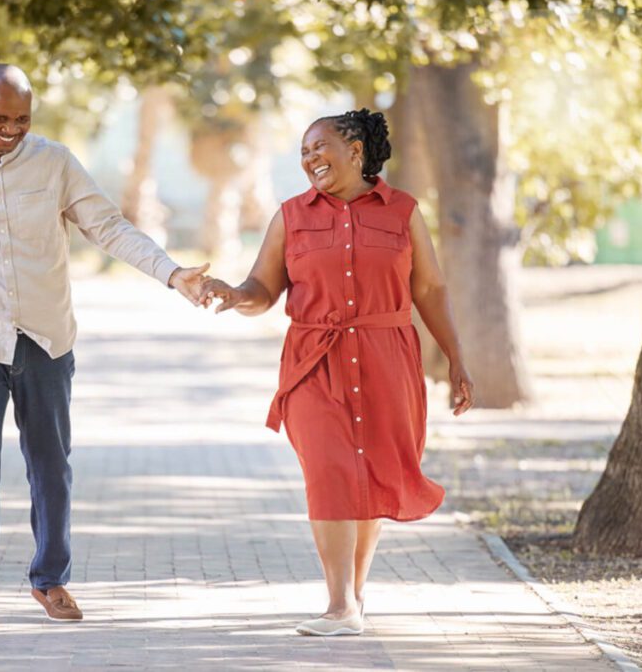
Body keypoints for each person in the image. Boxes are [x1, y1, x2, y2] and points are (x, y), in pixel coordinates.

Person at [0, 64, 208, 628]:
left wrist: (172, 273)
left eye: (22, 119)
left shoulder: (54, 162)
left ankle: (51, 581)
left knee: (51, 467)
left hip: (46, 340)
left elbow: (108, 226)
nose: (10, 129)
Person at [199, 108, 474, 636]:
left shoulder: (402, 211)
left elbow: (431, 290)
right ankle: (339, 606)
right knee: (330, 472)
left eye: (318, 147)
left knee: (368, 476)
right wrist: (235, 296)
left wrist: (457, 359)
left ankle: (353, 598)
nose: (309, 159)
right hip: (312, 362)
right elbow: (263, 288)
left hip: (387, 359)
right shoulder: (291, 215)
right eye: (303, 152)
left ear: (355, 149)